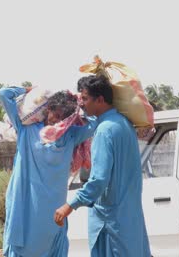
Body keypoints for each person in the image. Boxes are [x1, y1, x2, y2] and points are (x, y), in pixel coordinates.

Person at [54, 75, 151, 256]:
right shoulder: (124, 124)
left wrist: (70, 205)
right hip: (129, 222)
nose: (81, 103)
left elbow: (99, 180)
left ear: (100, 99)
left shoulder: (104, 131)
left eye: (84, 98)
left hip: (111, 225)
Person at [0, 86, 96, 257]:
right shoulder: (26, 130)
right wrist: (26, 90)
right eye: (55, 114)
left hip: (54, 212)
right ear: (47, 109)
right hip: (25, 206)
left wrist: (80, 105)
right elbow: (3, 94)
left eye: (62, 118)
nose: (56, 121)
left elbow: (94, 124)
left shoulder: (70, 135)